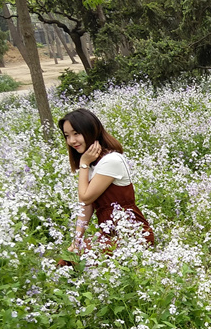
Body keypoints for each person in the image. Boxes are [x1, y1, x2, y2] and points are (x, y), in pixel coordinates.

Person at [58, 109, 154, 260]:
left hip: (132, 235)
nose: (71, 141)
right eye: (67, 136)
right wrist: (76, 241)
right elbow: (86, 206)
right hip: (110, 234)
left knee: (76, 261)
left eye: (76, 133)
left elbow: (85, 198)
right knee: (70, 258)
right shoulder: (93, 163)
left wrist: (83, 163)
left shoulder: (111, 160)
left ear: (91, 130)